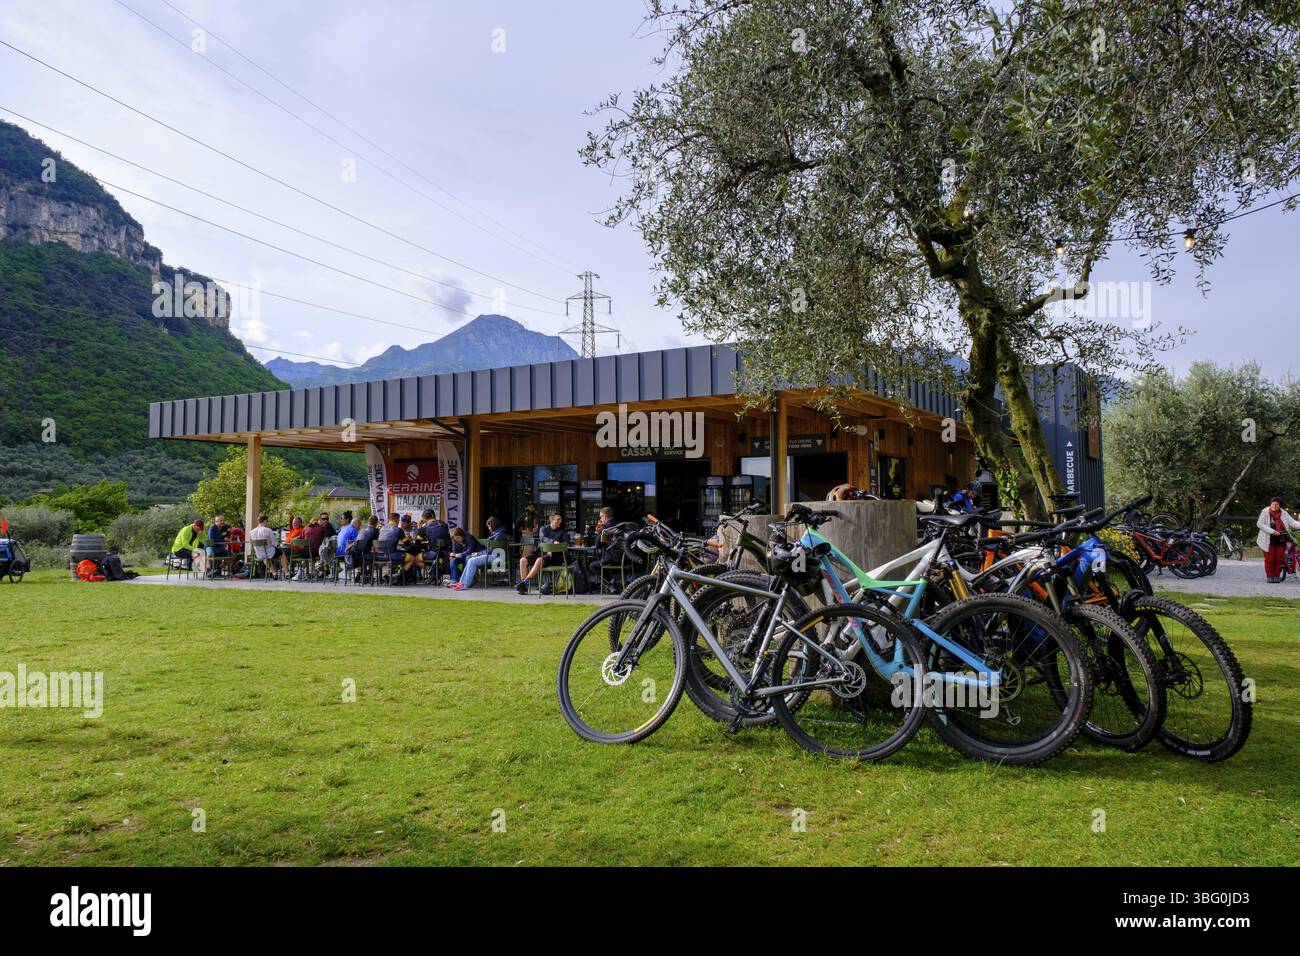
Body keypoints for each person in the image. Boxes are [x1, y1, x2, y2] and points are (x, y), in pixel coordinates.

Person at [448, 517, 509, 591]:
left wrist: (478, 554)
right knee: (471, 560)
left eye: (489, 526)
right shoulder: (498, 532)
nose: (489, 528)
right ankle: (462, 582)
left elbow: (491, 550)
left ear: (493, 525)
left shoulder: (499, 534)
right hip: (493, 555)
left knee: (472, 560)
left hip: (496, 556)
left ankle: (465, 584)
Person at [516, 513, 569, 594]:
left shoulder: (562, 532)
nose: (560, 521)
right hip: (540, 552)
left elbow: (565, 544)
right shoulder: (543, 529)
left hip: (553, 557)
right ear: (551, 520)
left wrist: (552, 549)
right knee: (523, 560)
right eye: (557, 519)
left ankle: (525, 582)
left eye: (560, 520)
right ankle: (524, 587)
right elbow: (543, 538)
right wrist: (553, 542)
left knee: (539, 560)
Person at [1257, 497, 1300, 583]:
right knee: (1270, 559)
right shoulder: (1265, 512)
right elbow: (1260, 524)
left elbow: (1293, 523)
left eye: (1276, 504)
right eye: (1272, 504)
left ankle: (1276, 575)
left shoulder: (1284, 513)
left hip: (1281, 539)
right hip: (1268, 540)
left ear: (1280, 506)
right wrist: (1272, 531)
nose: (1274, 506)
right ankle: (1270, 576)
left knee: (1279, 559)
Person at [352, 516, 381, 582]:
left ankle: (361, 574)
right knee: (381, 559)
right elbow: (376, 545)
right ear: (376, 523)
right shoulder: (376, 531)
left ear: (368, 522)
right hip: (364, 555)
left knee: (370, 555)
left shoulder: (362, 530)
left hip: (355, 554)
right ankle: (368, 574)